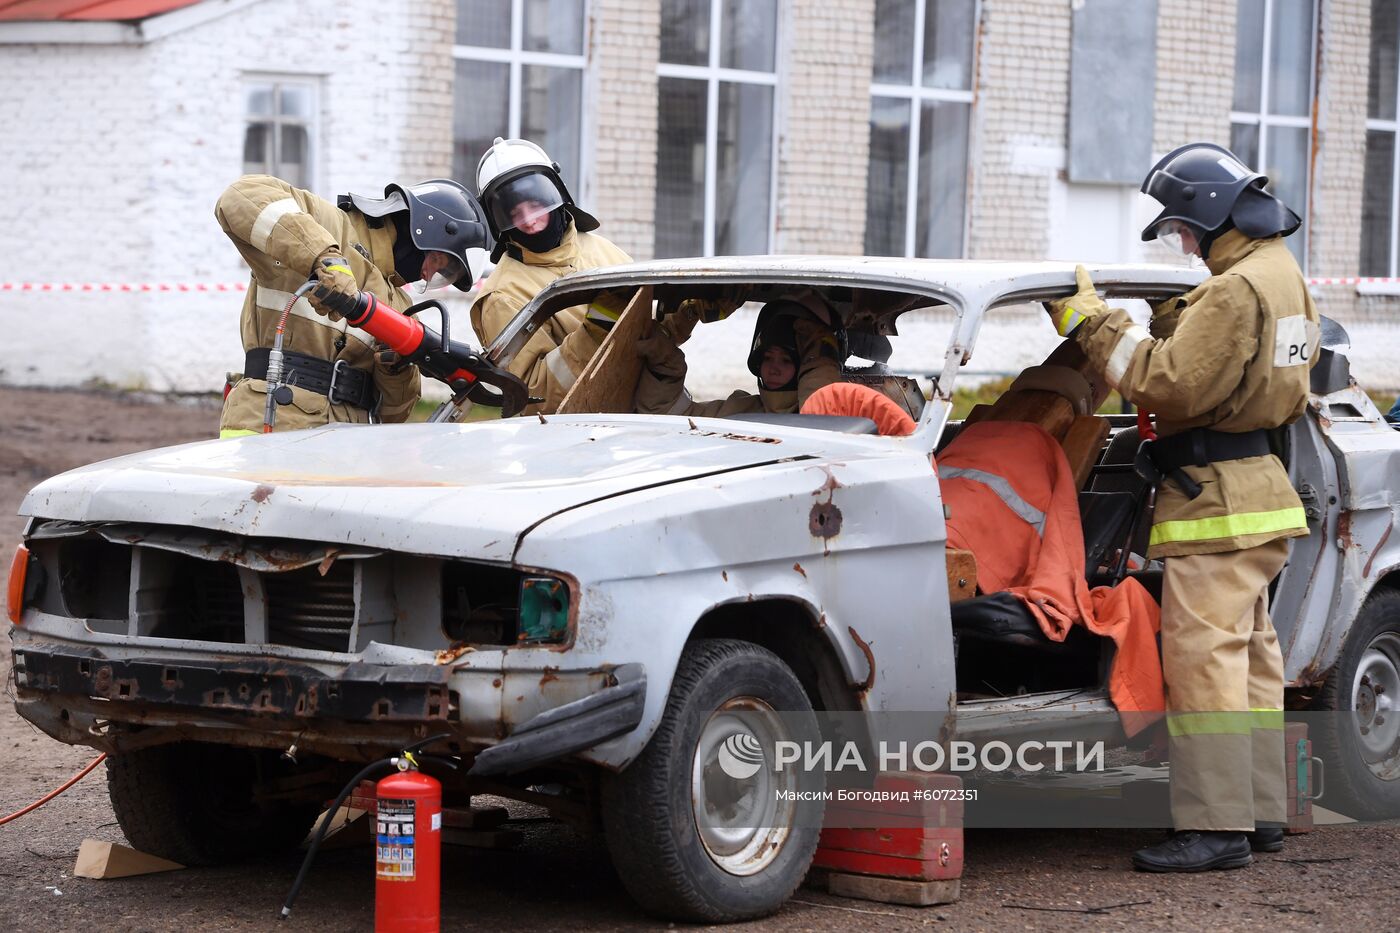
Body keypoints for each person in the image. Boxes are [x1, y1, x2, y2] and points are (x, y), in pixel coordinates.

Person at [1045, 142, 1319, 872]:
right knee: (1254, 658)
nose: (1187, 247)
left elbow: (1166, 385)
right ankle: (1262, 812)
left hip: (1217, 505)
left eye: (1184, 232)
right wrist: (1177, 317)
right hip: (1261, 496)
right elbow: (1238, 365)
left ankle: (1215, 828)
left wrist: (1091, 323)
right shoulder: (1281, 275)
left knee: (1203, 665)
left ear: (1209, 212)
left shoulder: (1233, 292)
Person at [215, 174, 488, 437]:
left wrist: (394, 370)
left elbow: (392, 416)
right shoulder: (327, 223)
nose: (429, 276)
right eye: (439, 262)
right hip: (273, 421)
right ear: (423, 230)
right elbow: (240, 196)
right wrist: (324, 257)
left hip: (346, 442)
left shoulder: (400, 305)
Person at [470, 138, 633, 414]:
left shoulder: (601, 249)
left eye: (535, 205)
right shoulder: (502, 296)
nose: (530, 221)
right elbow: (535, 397)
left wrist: (689, 312)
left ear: (554, 195)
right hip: (579, 434)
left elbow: (653, 332)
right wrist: (598, 326)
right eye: (514, 214)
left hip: (649, 407)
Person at [633, 292, 842, 417]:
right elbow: (667, 414)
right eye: (767, 357)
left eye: (786, 360)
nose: (773, 368)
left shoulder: (848, 418)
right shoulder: (742, 411)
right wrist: (665, 361)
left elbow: (821, 427)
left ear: (806, 365)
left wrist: (820, 361)